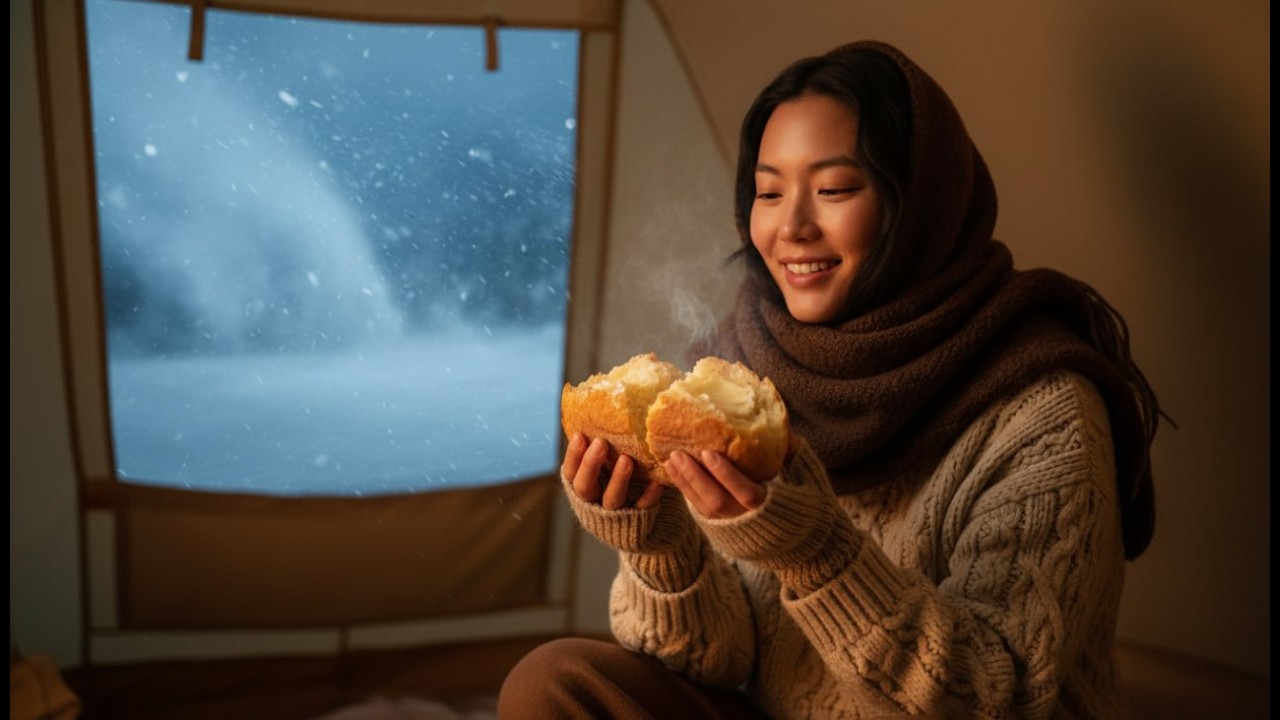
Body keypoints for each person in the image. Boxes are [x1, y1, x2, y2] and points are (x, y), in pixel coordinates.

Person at [498, 39, 1165, 719]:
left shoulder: (1040, 411)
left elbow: (1000, 700)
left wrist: (815, 550)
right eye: (768, 192)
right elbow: (717, 661)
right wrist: (661, 548)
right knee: (556, 679)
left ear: (921, 204)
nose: (791, 227)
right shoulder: (739, 379)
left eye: (835, 189)